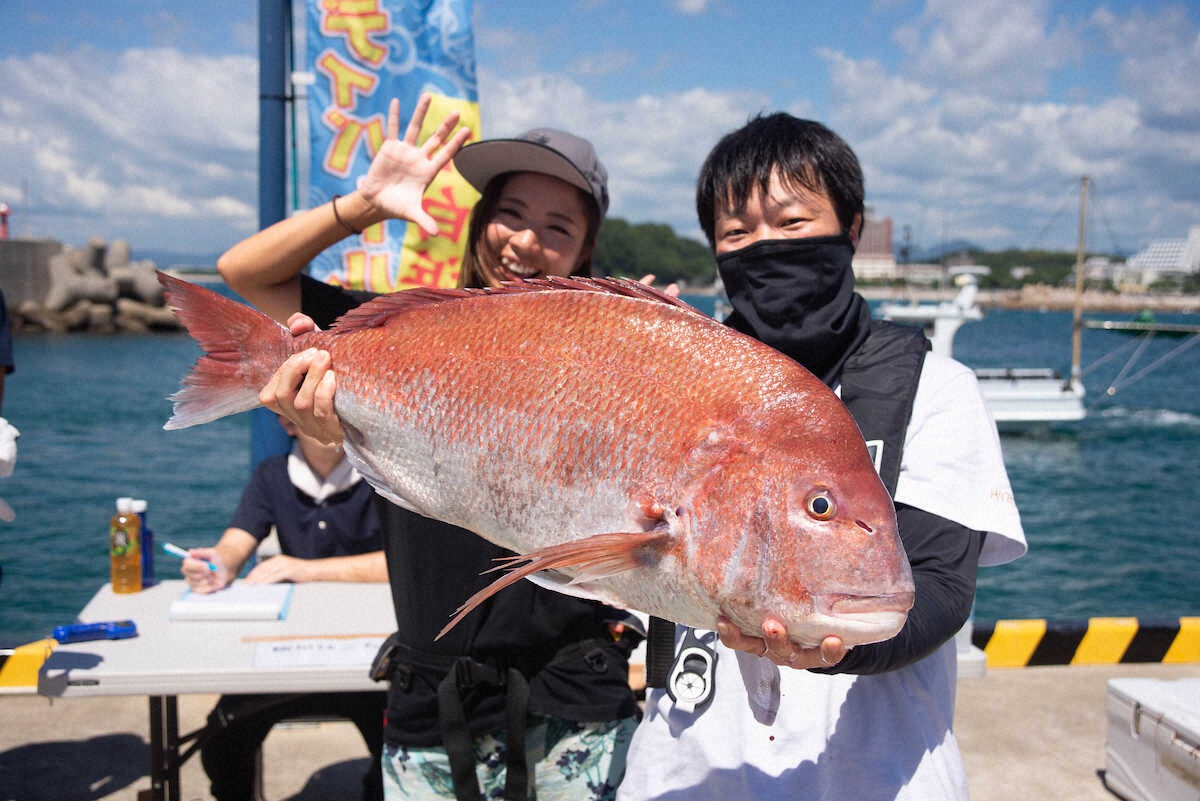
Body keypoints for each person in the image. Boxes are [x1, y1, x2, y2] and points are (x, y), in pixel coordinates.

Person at [219, 94, 641, 801]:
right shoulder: (405, 331)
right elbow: (245, 274)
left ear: (585, 249)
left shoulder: (612, 360)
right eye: (511, 214)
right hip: (433, 705)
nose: (526, 243)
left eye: (557, 226)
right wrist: (363, 204)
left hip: (577, 701)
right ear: (479, 220)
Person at [616, 114, 1027, 800]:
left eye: (793, 222)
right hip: (686, 774)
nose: (765, 247)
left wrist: (834, 650)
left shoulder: (935, 390)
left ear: (853, 228)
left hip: (877, 779)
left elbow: (940, 588)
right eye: (738, 233)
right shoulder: (673, 387)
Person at [181, 414, 387, 801]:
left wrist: (303, 569)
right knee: (222, 740)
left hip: (367, 659)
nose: (327, 419)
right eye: (312, 412)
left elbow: (400, 566)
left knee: (400, 745)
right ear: (287, 423)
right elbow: (235, 543)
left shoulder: (382, 479)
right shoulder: (272, 476)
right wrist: (216, 566)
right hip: (287, 657)